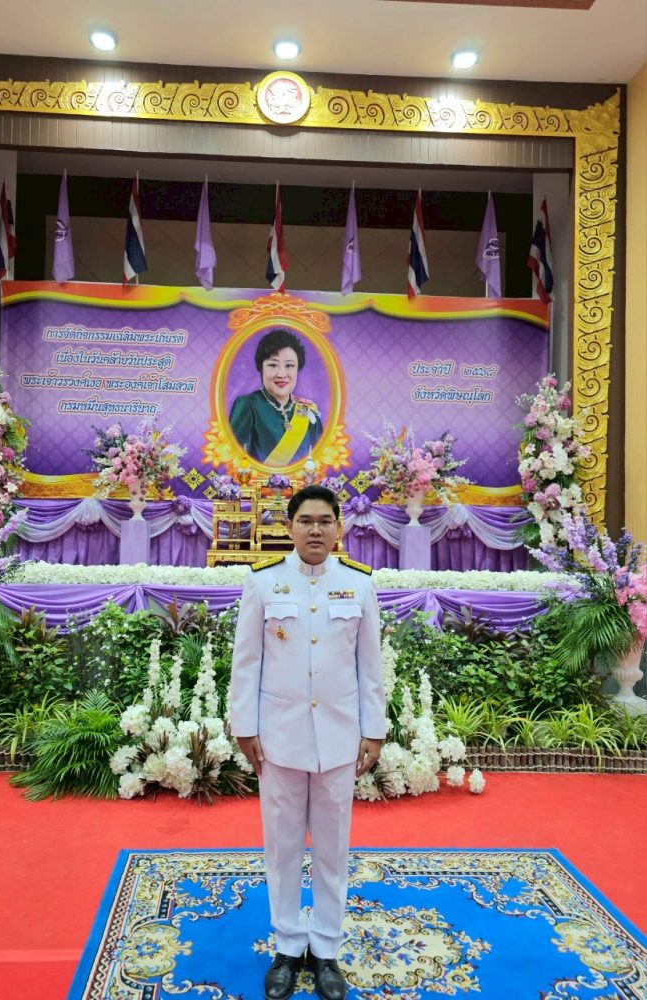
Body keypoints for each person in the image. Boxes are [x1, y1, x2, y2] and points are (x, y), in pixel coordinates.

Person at [230, 485, 386, 1000]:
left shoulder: (359, 584)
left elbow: (370, 666)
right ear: (289, 527)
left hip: (339, 738)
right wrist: (245, 726)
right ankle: (287, 945)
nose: (315, 530)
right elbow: (246, 662)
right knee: (281, 847)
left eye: (324, 521)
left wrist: (374, 729)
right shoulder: (263, 582)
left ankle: (326, 949)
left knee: (333, 849)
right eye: (305, 521)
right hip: (279, 737)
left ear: (339, 527)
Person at [229, 328, 323, 467]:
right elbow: (233, 462)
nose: (281, 374)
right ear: (261, 368)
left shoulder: (308, 412)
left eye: (289, 365)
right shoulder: (248, 405)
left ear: (297, 369)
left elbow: (320, 464)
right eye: (273, 365)